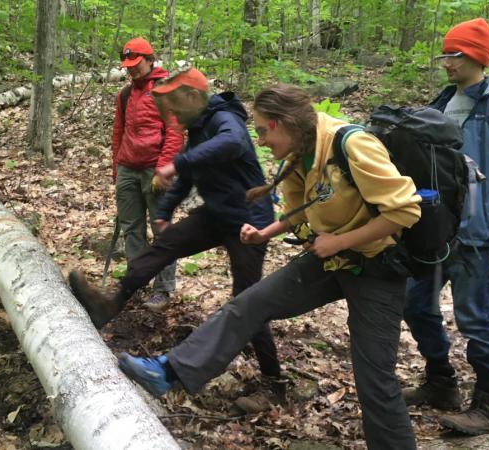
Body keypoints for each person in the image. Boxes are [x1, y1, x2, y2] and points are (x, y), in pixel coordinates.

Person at [117, 84, 422, 449]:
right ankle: (169, 372)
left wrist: (338, 241)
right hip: (329, 261)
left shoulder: (351, 144)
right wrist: (266, 232)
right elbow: (303, 211)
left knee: (375, 381)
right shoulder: (297, 156)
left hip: (376, 269)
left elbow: (405, 211)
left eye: (262, 130)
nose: (259, 141)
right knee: (248, 304)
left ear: (284, 123)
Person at [70, 68, 286, 410]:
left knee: (248, 302)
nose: (171, 115)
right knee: (165, 246)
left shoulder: (225, 121)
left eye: (174, 106)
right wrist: (165, 210)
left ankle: (274, 384)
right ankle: (111, 302)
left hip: (250, 222)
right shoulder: (198, 129)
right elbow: (188, 175)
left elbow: (228, 146)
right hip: (216, 215)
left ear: (192, 99)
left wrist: (176, 163)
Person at [402, 18, 489, 435]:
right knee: (415, 304)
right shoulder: (440, 102)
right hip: (435, 229)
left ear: (476, 56)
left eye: (454, 55)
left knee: (475, 317)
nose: (446, 63)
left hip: (478, 233)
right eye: (444, 54)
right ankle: (441, 382)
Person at [112, 37, 182, 310]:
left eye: (135, 63)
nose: (131, 69)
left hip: (155, 169)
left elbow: (175, 134)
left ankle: (162, 290)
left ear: (150, 60)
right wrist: (116, 169)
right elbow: (118, 132)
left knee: (161, 230)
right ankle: (136, 283)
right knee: (132, 230)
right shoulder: (125, 95)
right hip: (128, 168)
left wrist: (163, 170)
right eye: (127, 65)